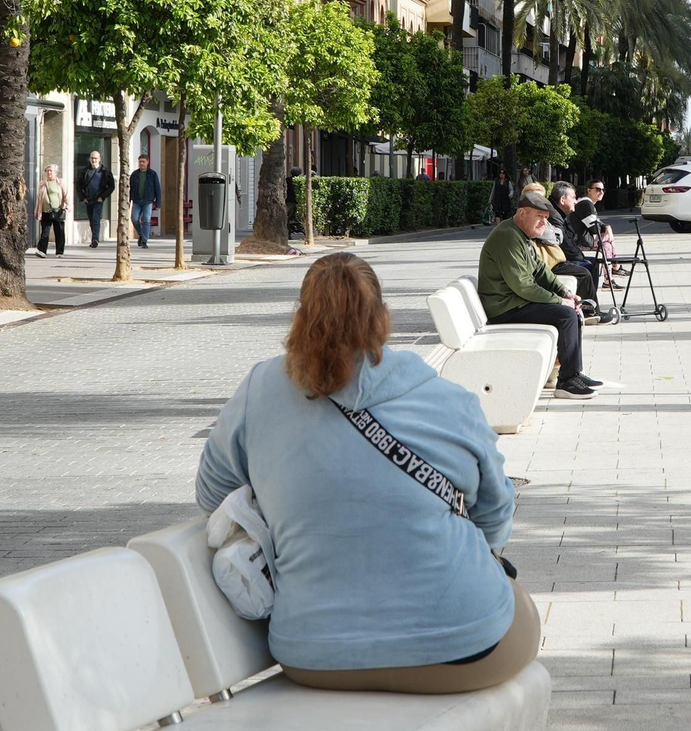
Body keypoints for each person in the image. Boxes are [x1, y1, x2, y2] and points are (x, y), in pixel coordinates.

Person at [194, 252, 537, 694]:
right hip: (461, 649)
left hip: (313, 656)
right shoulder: (447, 399)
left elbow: (212, 494)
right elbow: (494, 512)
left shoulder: (259, 389)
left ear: (300, 318)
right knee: (519, 607)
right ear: (383, 318)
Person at [478, 191, 599, 400]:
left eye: (546, 218)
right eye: (539, 216)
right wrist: (560, 301)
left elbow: (541, 271)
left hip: (515, 303)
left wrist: (565, 293)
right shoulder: (508, 236)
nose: (544, 222)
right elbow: (523, 286)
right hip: (504, 308)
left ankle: (574, 372)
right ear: (522, 214)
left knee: (572, 312)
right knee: (566, 315)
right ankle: (567, 381)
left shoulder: (521, 235)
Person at [549, 182, 618, 325]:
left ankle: (589, 306)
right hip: (555, 259)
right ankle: (588, 312)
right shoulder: (555, 215)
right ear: (562, 200)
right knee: (585, 271)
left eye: (603, 189)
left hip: (561, 256)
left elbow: (569, 239)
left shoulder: (560, 213)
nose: (575, 201)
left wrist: (581, 257)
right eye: (573, 197)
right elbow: (565, 243)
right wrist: (580, 258)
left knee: (593, 263)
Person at [572, 179, 626, 287]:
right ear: (589, 190)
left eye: (603, 190)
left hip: (580, 239)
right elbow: (594, 228)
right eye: (597, 189)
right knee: (607, 241)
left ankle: (610, 276)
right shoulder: (586, 204)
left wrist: (606, 226)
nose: (601, 192)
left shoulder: (587, 203)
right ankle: (614, 268)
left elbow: (597, 223)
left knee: (606, 244)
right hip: (578, 241)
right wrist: (606, 228)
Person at [77, 150, 113, 247]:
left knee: (95, 218)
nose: (93, 160)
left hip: (98, 199)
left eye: (95, 158)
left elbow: (111, 186)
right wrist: (82, 197)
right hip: (88, 199)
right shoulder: (85, 171)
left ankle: (95, 240)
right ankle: (95, 237)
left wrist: (103, 196)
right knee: (91, 220)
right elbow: (78, 185)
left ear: (99, 159)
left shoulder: (105, 172)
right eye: (92, 158)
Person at [35, 164, 68, 258]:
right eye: (47, 171)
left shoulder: (60, 182)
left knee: (59, 231)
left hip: (58, 211)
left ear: (55, 173)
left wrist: (66, 205)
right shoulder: (42, 183)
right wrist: (37, 210)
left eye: (51, 171)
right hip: (45, 211)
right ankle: (42, 251)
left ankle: (59, 252)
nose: (49, 172)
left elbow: (66, 194)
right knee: (45, 231)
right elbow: (39, 198)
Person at [129, 154, 161, 249]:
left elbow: (157, 189)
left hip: (148, 201)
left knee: (146, 220)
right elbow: (130, 188)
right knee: (134, 219)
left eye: (143, 161)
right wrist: (128, 201)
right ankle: (141, 234)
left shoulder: (152, 174)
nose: (141, 163)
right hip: (137, 200)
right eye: (140, 162)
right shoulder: (134, 174)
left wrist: (158, 203)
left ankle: (144, 241)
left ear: (147, 162)